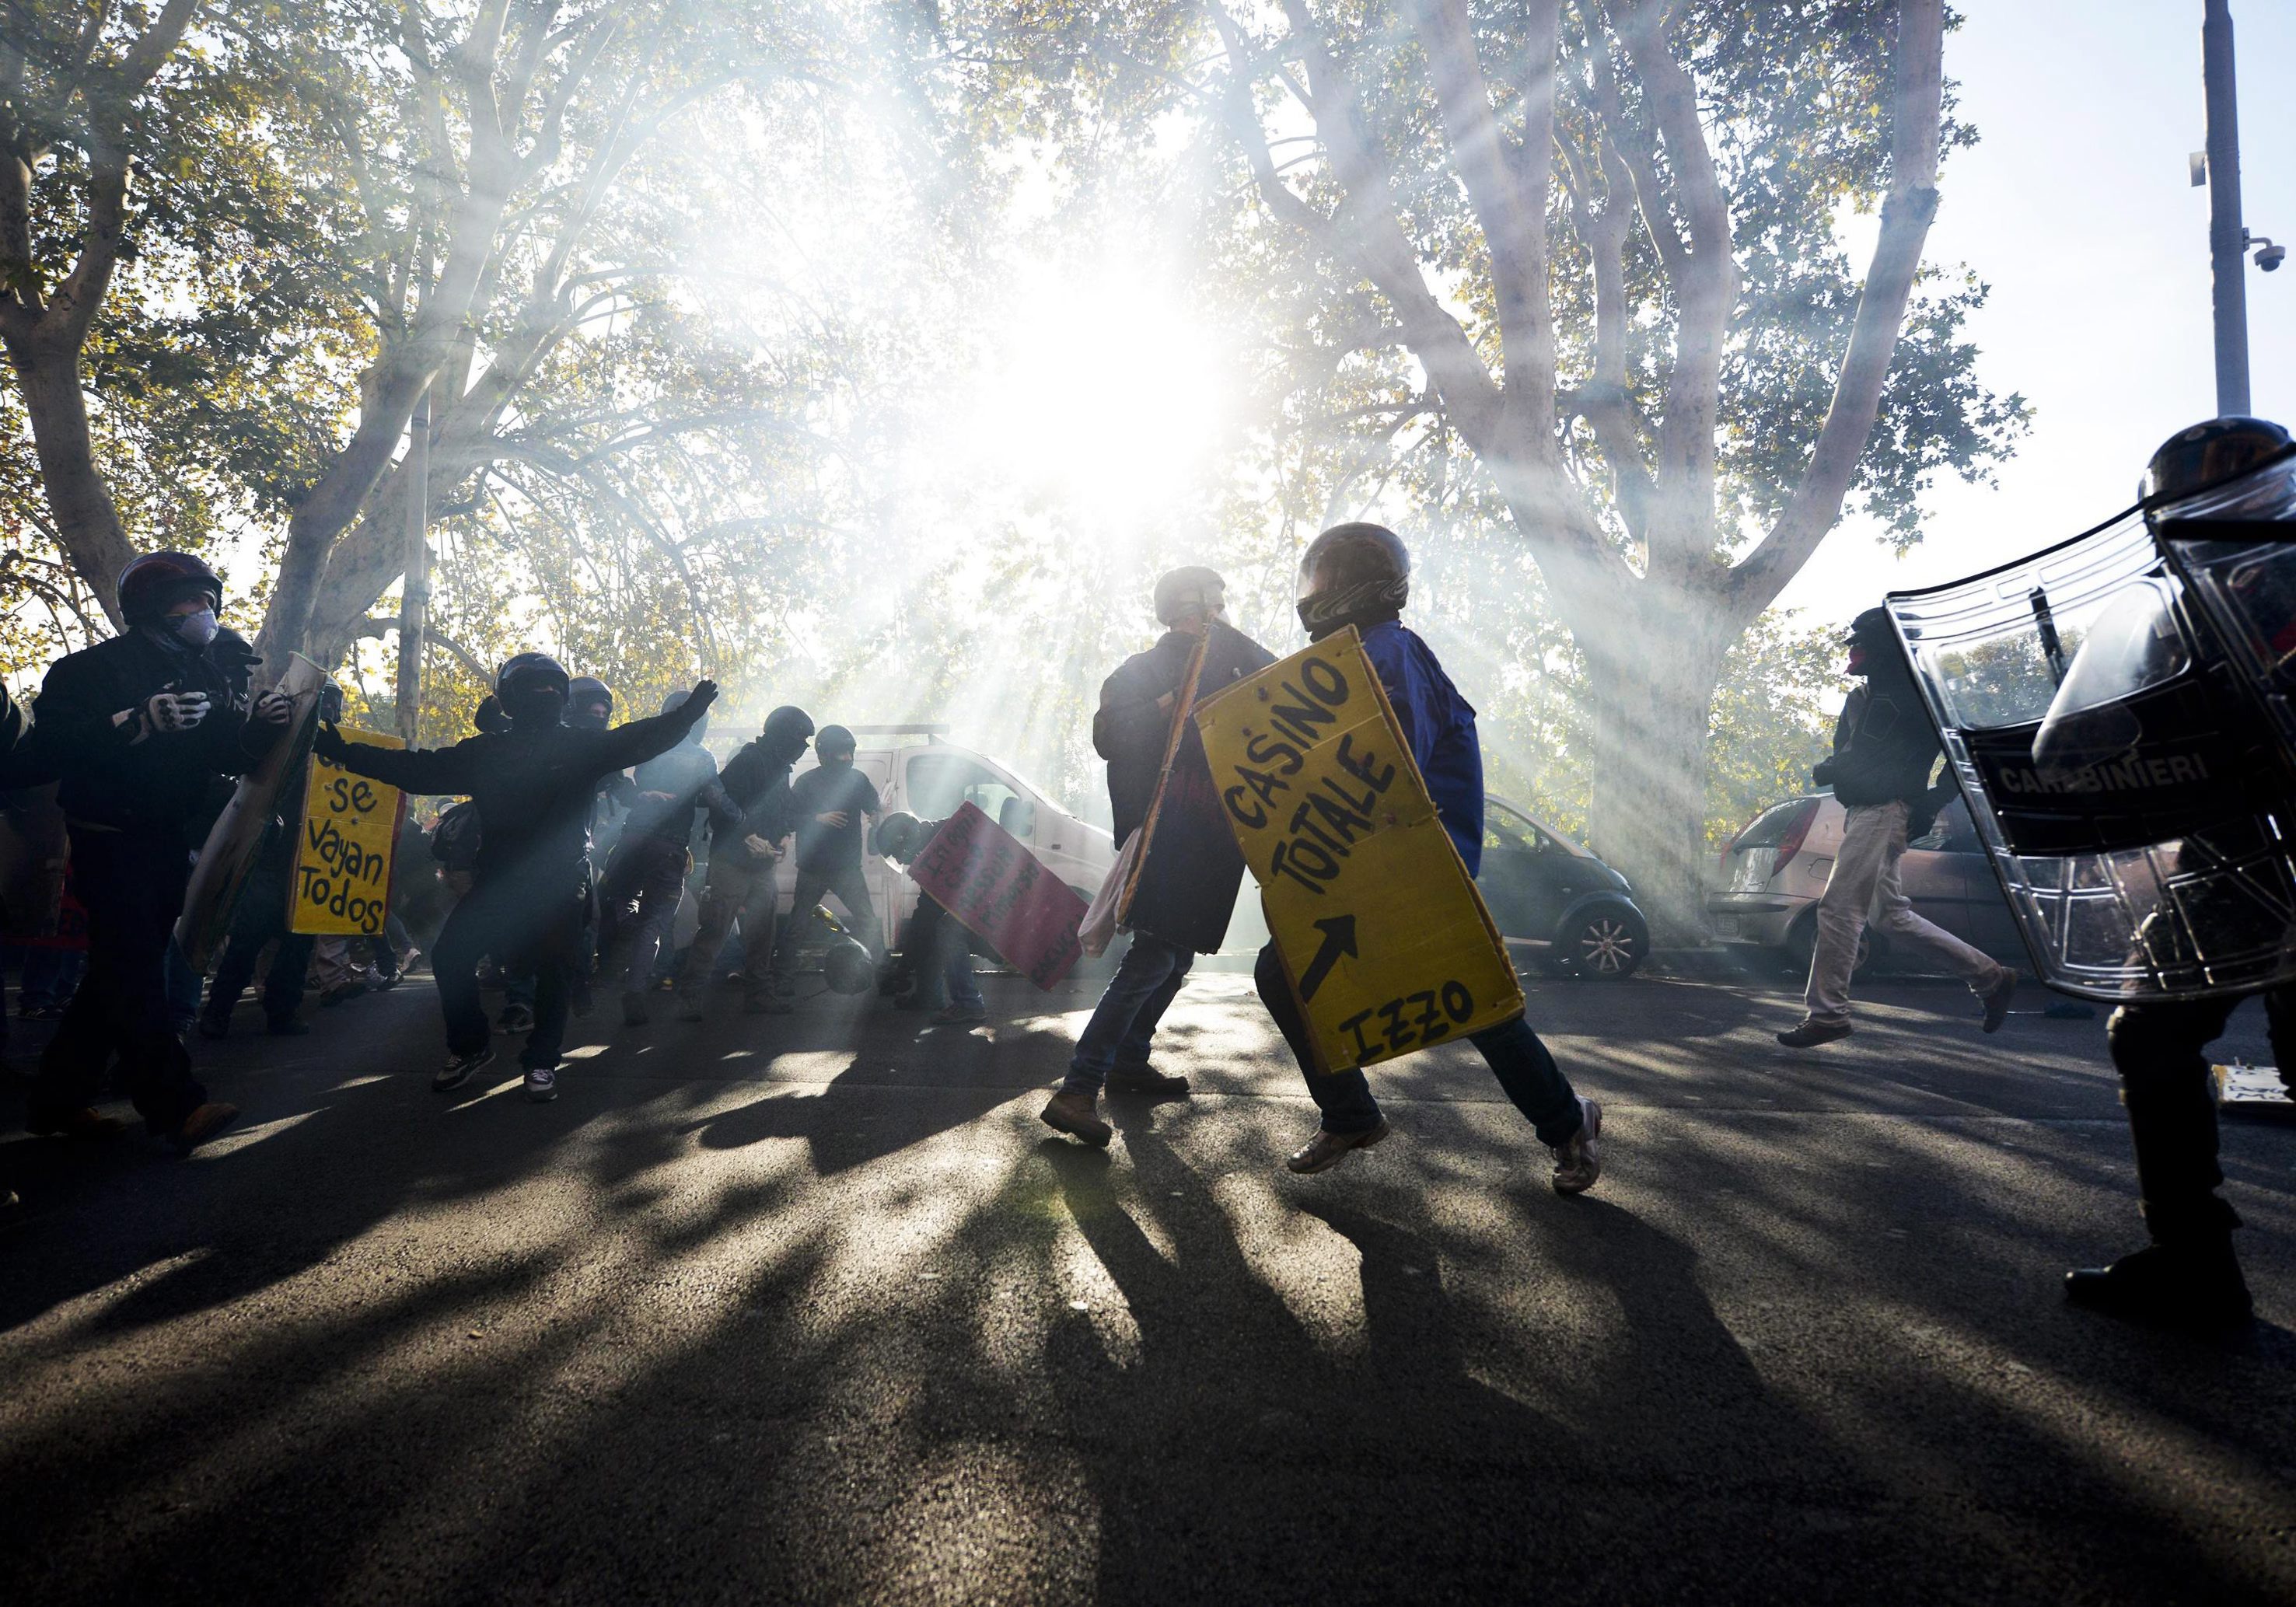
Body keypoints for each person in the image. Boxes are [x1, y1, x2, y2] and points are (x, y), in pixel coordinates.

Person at [1243, 524, 1604, 1189]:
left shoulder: (1390, 654)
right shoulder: (1353, 658)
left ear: (1354, 587)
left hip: (1416, 866)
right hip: (1370, 864)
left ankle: (1565, 1121)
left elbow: (1383, 764)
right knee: (1292, 973)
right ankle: (1355, 1114)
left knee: (1474, 1005)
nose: (1312, 596)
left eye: (1322, 581)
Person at [2060, 417, 2296, 1332]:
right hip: (2229, 848)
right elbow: (2107, 725)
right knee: (2148, 1034)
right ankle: (2189, 1259)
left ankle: (2192, 1261)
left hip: (2257, 843)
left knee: (2159, 1036)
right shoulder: (2180, 601)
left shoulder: (2254, 583)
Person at [316, 654, 715, 1102]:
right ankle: (471, 1049)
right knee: (452, 958)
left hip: (561, 882)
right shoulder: (489, 751)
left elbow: (642, 739)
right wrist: (342, 751)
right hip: (500, 882)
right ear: (509, 699)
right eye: (535, 687)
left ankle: (542, 1061)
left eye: (551, 687)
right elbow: (416, 769)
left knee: (553, 970)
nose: (544, 695)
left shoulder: (578, 746)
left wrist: (685, 716)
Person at [19, 551, 292, 1151]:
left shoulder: (204, 674)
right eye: (190, 600)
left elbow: (230, 753)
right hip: (109, 842)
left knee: (115, 976)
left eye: (208, 599)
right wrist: (132, 722)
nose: (206, 611)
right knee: (135, 973)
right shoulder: (85, 671)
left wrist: (265, 725)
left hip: (167, 841)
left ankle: (55, 1100)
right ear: (150, 609)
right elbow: (46, 750)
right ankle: (174, 1104)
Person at [1042, 567, 1275, 1144]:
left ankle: (1127, 1060)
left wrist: (1227, 649)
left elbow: (1278, 686)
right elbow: (1108, 738)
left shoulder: (1234, 662)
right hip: (1165, 833)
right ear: (1191, 607)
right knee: (1152, 957)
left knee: (1175, 959)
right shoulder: (1138, 672)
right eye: (1214, 604)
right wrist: (1170, 701)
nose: (1222, 612)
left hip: (1210, 836)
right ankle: (1077, 1088)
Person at [1774, 608, 2019, 1049]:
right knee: (1889, 917)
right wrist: (1833, 770)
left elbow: (1963, 753)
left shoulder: (1917, 696)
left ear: (1886, 647)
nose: (1854, 651)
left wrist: (1932, 800)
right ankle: (1991, 977)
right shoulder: (1863, 697)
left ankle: (1828, 1015)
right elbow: (1851, 753)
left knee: (1838, 909)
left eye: (1862, 642)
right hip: (1863, 811)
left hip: (1885, 812)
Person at [197, 683, 347, 1039]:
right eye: (325, 704)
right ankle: (218, 1011)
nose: (330, 712)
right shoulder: (279, 744)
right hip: (270, 862)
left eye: (335, 706)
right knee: (247, 941)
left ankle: (282, 1011)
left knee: (297, 946)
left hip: (311, 863)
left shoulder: (339, 754)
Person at [603, 689, 736, 1025]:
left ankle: (626, 935)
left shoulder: (648, 748)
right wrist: (741, 816)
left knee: (618, 898)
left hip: (632, 838)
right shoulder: (703, 757)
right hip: (670, 846)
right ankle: (636, 985)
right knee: (655, 920)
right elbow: (719, 801)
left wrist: (638, 796)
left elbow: (612, 777)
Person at [678, 704, 813, 1018]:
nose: (804, 746)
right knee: (716, 929)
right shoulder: (749, 761)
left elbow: (783, 811)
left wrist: (783, 837)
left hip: (761, 866)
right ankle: (691, 995)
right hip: (731, 862)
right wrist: (748, 836)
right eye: (800, 738)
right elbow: (718, 802)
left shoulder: (780, 768)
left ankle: (759, 995)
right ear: (783, 735)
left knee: (763, 933)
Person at [770, 724, 882, 991]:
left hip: (847, 868)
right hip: (813, 868)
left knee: (867, 921)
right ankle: (783, 980)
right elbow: (788, 819)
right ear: (825, 755)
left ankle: (885, 977)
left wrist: (877, 817)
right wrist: (818, 819)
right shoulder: (807, 782)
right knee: (797, 926)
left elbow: (875, 807)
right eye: (842, 753)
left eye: (850, 753)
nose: (847, 758)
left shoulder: (858, 780)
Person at [874, 811, 989, 1025]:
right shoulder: (937, 836)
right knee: (932, 928)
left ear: (907, 841)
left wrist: (902, 971)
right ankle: (929, 997)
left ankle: (969, 1003)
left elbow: (926, 916)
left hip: (991, 910)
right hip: (982, 904)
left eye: (898, 854)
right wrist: (903, 968)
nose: (901, 860)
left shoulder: (938, 852)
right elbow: (924, 918)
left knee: (947, 928)